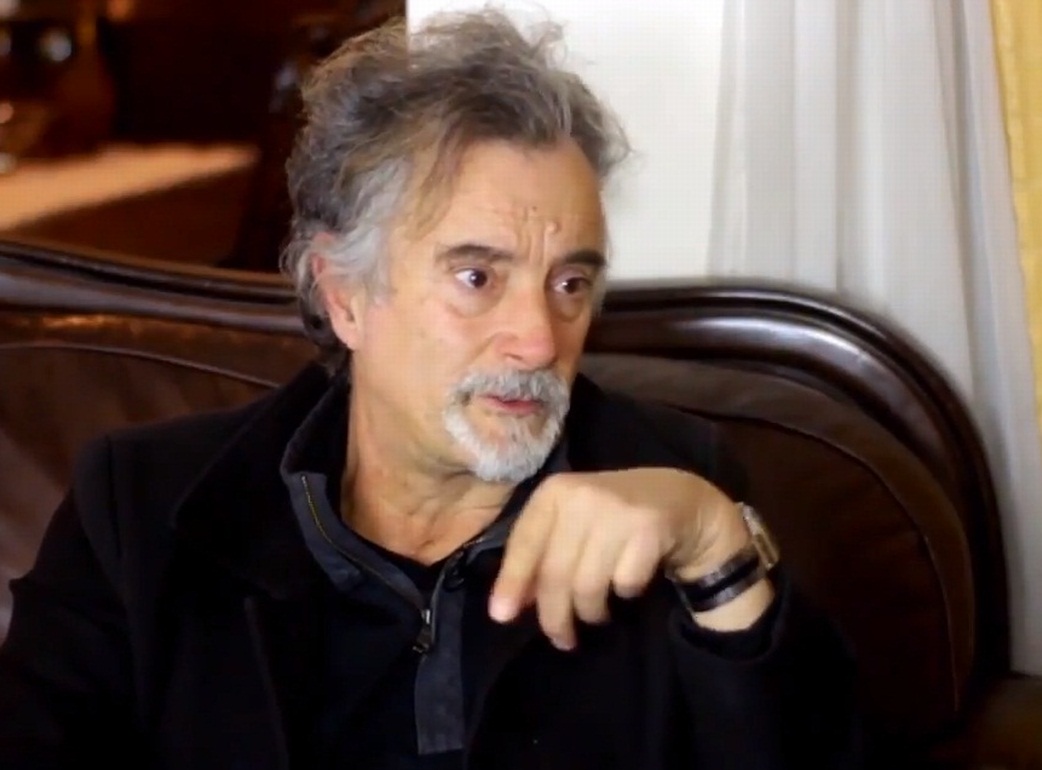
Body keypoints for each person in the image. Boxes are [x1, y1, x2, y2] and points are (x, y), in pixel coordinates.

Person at [0, 9, 863, 770]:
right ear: (345, 295)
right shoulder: (142, 510)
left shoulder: (674, 485)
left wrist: (715, 549)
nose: (539, 339)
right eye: (477, 278)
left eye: (570, 283)